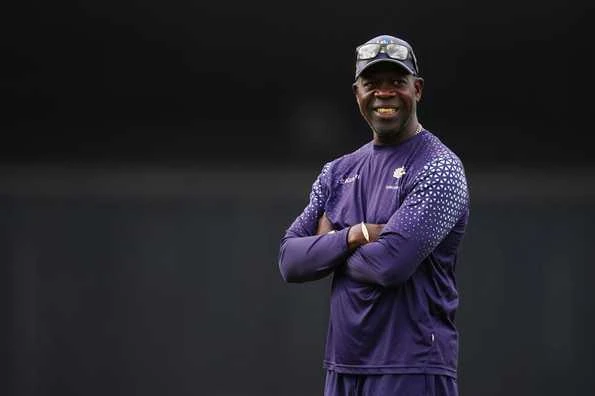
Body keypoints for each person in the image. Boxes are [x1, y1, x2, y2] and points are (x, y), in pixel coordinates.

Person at [278, 34, 470, 395]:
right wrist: (356, 234)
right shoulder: (337, 172)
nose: (384, 93)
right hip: (343, 366)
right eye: (372, 83)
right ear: (357, 94)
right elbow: (289, 260)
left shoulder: (440, 168)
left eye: (397, 82)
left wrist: (326, 244)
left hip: (411, 367)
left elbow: (389, 265)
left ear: (418, 89)